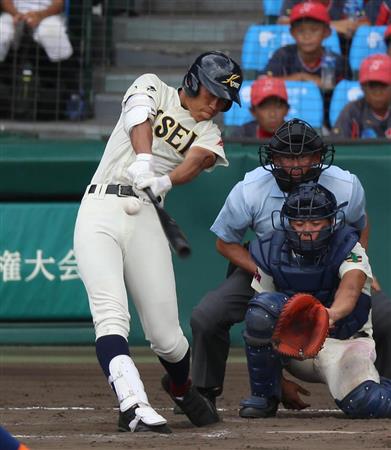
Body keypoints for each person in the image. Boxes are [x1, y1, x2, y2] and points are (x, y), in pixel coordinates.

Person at [73, 51, 243, 433]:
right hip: (100, 207)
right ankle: (132, 403)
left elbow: (197, 160)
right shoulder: (153, 85)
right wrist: (145, 161)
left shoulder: (210, 131)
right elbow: (138, 116)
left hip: (149, 216)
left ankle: (181, 388)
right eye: (212, 94)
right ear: (193, 82)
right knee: (111, 315)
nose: (215, 105)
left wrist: (163, 180)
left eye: (223, 101)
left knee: (168, 339)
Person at [190, 118, 369, 410]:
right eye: (287, 156)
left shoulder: (346, 185)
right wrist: (262, 270)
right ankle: (204, 393)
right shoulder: (250, 188)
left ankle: (381, 385)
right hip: (268, 265)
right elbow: (225, 242)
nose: (296, 165)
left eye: (304, 156)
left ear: (319, 157)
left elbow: (361, 226)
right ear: (273, 158)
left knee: (384, 315)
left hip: (329, 267)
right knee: (208, 315)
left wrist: (358, 269)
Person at [239, 182, 391, 419]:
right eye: (299, 223)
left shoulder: (350, 246)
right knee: (260, 311)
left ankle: (377, 385)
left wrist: (330, 315)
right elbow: (261, 314)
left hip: (343, 342)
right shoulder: (270, 250)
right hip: (295, 345)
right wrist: (278, 382)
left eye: (315, 223)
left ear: (331, 222)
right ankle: (264, 395)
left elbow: (350, 289)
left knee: (367, 403)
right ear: (288, 222)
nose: (306, 230)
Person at [332, 53, 391, 138]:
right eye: (372, 86)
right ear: (363, 88)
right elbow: (337, 147)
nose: (378, 92)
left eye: (383, 85)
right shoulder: (352, 111)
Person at [0, 0, 73, 63]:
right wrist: (16, 14)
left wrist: (40, 15)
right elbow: (5, 1)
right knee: (2, 33)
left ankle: (61, 75)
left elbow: (58, 3)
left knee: (54, 36)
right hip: (13, 14)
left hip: (47, 15)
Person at [278, 0, 371, 46]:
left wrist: (352, 25)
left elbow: (365, 24)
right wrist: (332, 26)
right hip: (302, 48)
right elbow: (282, 23)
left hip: (342, 50)